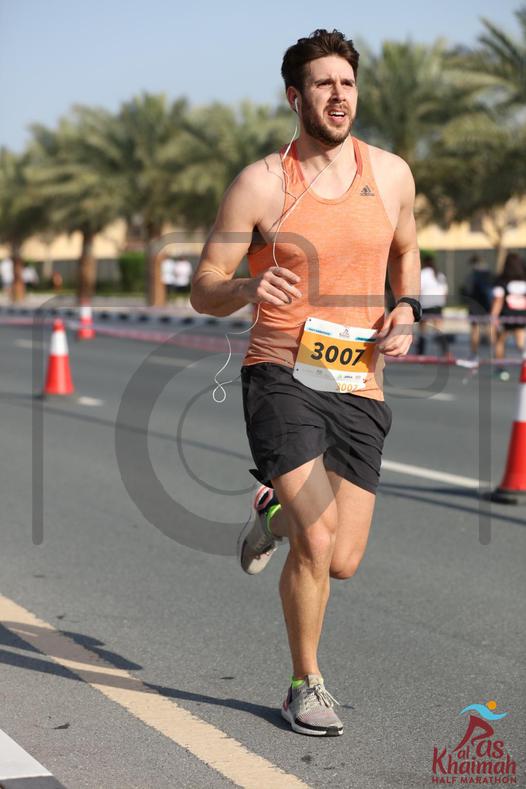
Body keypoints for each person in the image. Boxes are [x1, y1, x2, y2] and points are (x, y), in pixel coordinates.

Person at [191, 29, 421, 737]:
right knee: (316, 539)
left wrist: (408, 308)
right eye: (323, 84)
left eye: (347, 83)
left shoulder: (392, 174)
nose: (338, 95)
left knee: (341, 560)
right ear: (295, 96)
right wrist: (248, 285)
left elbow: (407, 249)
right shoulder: (262, 183)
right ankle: (304, 683)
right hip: (281, 371)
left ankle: (270, 516)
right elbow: (203, 287)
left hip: (359, 377)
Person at [490, 252, 526, 381]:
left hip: (506, 317)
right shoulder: (524, 280)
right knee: (521, 343)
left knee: (500, 342)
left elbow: (498, 300)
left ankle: (501, 369)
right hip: (521, 316)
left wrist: (493, 316)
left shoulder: (502, 281)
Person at [460, 254, 493, 359]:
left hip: (474, 305)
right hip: (487, 305)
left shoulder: (472, 275)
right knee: (489, 329)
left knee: (475, 329)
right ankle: (494, 353)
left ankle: (474, 354)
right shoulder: (489, 274)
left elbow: (467, 289)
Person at [416, 254, 448, 356]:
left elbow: (418, 290)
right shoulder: (440, 275)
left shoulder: (422, 274)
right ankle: (445, 352)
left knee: (422, 329)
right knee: (439, 329)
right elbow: (445, 292)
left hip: (425, 304)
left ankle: (420, 353)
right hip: (437, 304)